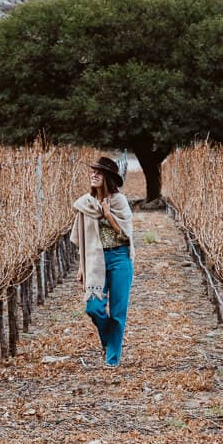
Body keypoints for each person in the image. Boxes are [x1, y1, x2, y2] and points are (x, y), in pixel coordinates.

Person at [70, 156, 134, 368]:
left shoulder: (119, 201)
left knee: (117, 312)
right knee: (93, 307)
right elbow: (82, 240)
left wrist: (108, 215)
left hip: (119, 257)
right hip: (95, 261)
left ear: (108, 178)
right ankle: (109, 340)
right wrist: (81, 267)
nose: (94, 175)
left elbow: (126, 235)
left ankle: (112, 359)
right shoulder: (85, 204)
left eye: (99, 172)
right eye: (93, 171)